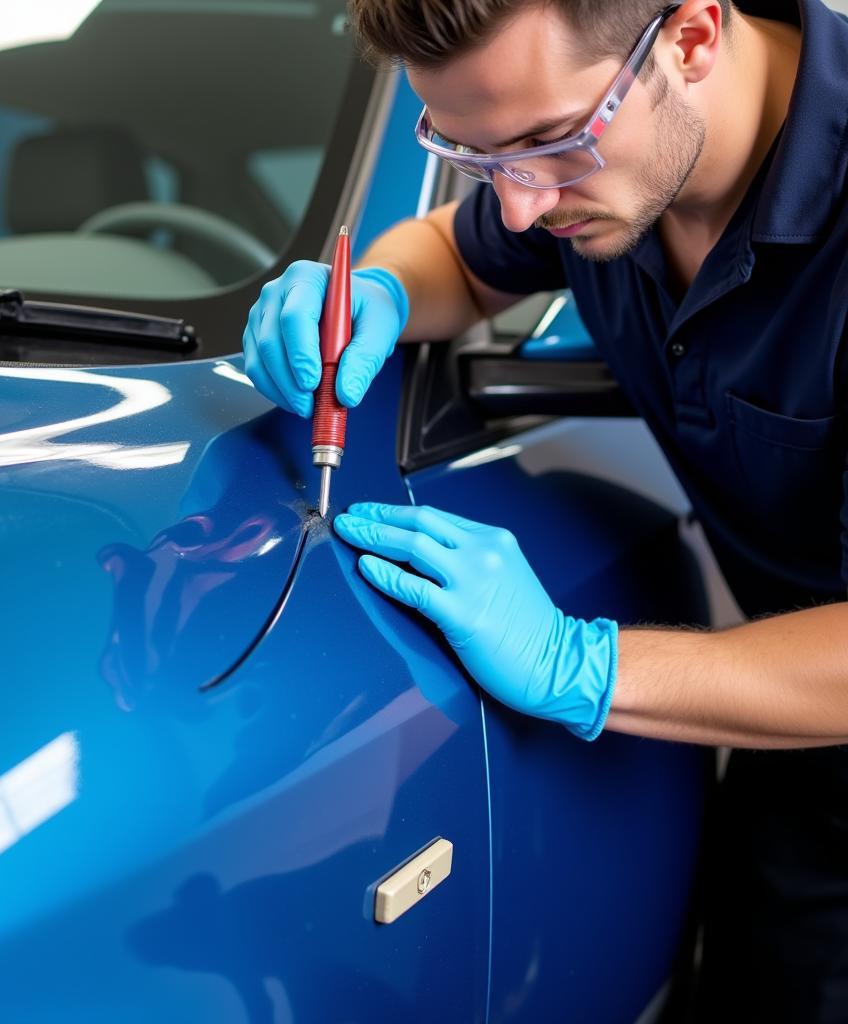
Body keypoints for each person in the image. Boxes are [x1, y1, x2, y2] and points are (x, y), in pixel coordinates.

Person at [242, 0, 848, 1018]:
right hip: (792, 742)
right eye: (477, 156)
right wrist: (378, 288)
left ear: (693, 35)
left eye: (543, 146)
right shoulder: (598, 159)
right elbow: (467, 255)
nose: (521, 207)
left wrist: (584, 663)